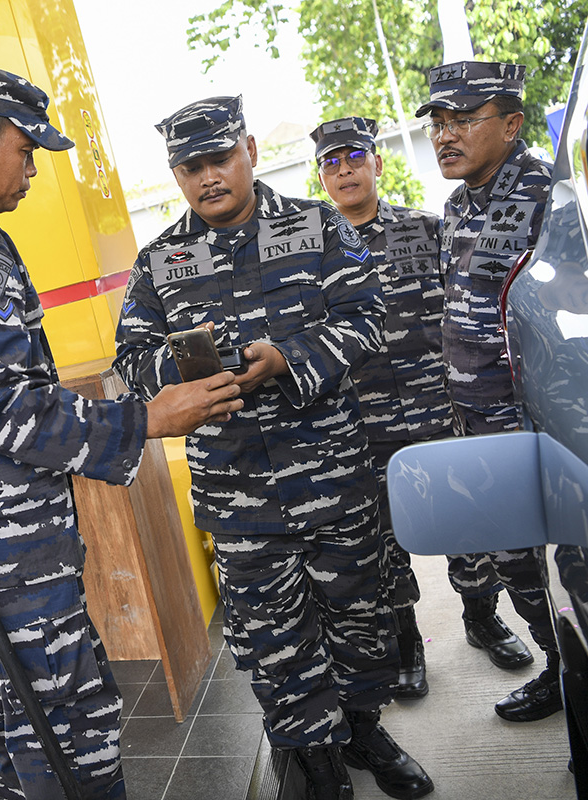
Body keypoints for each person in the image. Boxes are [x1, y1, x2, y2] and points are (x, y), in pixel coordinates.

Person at [0, 63, 244, 800]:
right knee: (68, 721)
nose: (33, 170)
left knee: (15, 711)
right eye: (27, 149)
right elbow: (10, 412)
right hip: (7, 536)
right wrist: (149, 419)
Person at [113, 95, 433, 800]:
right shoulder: (160, 260)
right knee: (273, 639)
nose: (207, 179)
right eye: (188, 167)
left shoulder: (317, 227)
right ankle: (313, 759)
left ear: (250, 151)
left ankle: (364, 729)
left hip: (333, 477)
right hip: (237, 496)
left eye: (219, 159)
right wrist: (184, 375)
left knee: (358, 614)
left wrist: (290, 358)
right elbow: (132, 359)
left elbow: (367, 318)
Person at [416, 60, 562, 722]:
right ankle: (562, 669)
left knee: (565, 561)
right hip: (476, 423)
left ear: (512, 124)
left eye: (462, 120)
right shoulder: (456, 204)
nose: (445, 135)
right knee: (514, 559)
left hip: (538, 425)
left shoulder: (548, 200)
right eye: (438, 123)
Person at [309, 116, 451, 700]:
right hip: (363, 426)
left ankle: (482, 616)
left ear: (378, 164)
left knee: (466, 527)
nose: (344, 169)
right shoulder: (310, 256)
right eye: (331, 162)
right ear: (322, 178)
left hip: (437, 410)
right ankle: (407, 642)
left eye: (354, 157)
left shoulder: (426, 230)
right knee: (384, 544)